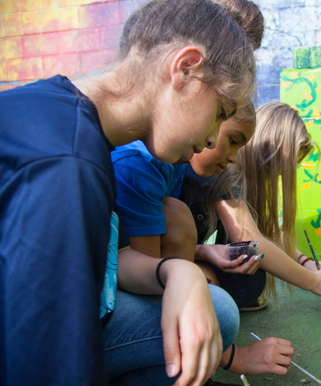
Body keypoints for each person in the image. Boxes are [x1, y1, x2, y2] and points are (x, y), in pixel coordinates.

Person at [0, 0, 255, 385]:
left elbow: (107, 263)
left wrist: (178, 269)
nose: (208, 139)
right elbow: (45, 359)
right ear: (186, 69)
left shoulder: (64, 113)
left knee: (210, 311)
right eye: (220, 113)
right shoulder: (68, 163)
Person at [178, 102, 321, 376]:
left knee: (251, 278)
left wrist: (306, 262)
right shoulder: (223, 170)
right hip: (166, 270)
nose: (282, 176)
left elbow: (265, 234)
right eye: (284, 168)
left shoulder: (233, 171)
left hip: (174, 263)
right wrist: (315, 282)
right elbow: (250, 236)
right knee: (242, 285)